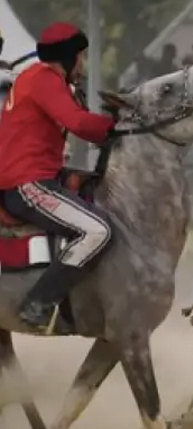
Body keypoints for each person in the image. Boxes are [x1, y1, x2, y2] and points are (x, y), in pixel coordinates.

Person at [0, 22, 116, 334]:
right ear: (68, 58)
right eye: (81, 57)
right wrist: (117, 125)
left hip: (33, 175)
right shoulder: (44, 79)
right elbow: (76, 122)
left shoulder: (37, 78)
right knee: (99, 231)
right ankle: (37, 303)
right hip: (28, 182)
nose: (83, 64)